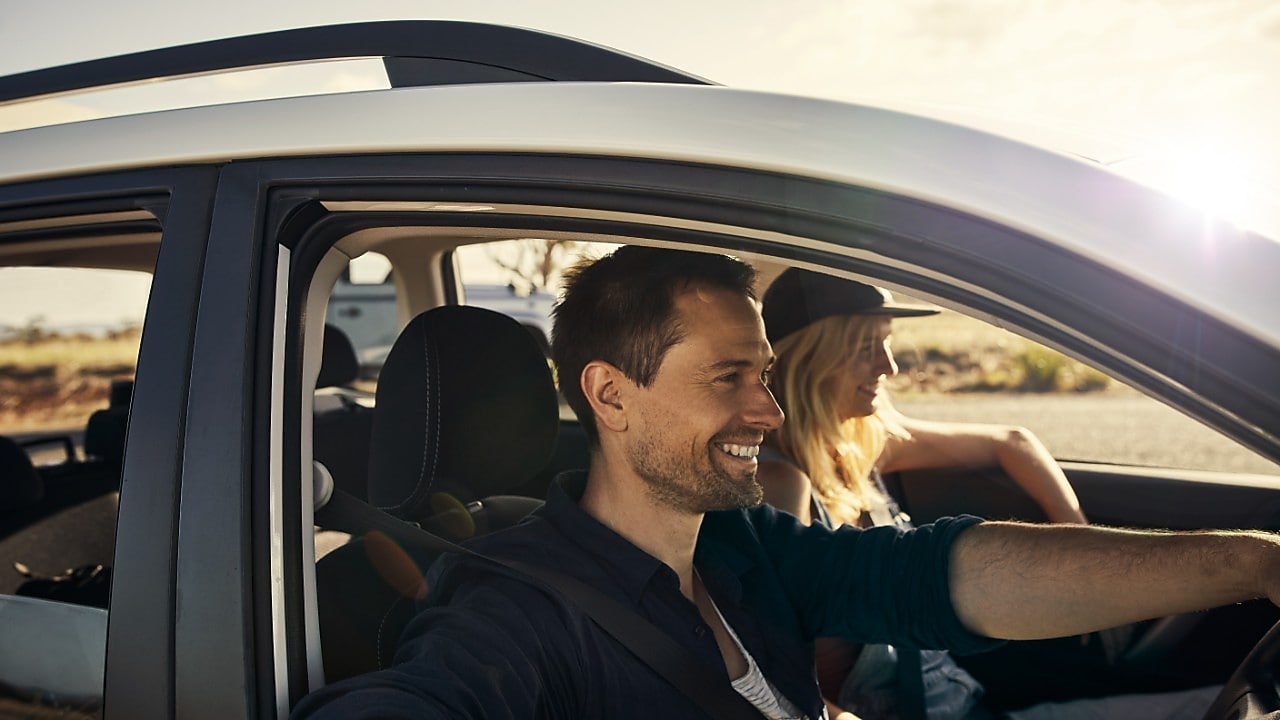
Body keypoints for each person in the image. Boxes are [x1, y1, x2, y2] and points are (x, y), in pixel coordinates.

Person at [292, 246, 1280, 720]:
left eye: (761, 375)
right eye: (728, 379)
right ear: (610, 395)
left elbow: (939, 576)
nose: (766, 415)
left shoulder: (742, 546)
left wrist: (1249, 562)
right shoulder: (515, 607)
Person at [757, 268, 1127, 719]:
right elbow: (769, 668)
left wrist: (1082, 549)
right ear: (809, 359)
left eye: (887, 342)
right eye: (864, 347)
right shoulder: (781, 487)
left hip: (963, 702)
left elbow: (1012, 442)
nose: (888, 366)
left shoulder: (865, 443)